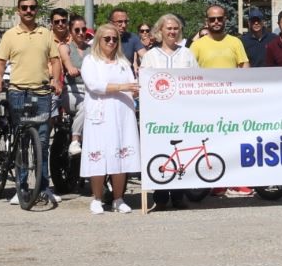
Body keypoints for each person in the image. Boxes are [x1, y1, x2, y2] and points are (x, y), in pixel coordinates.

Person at [0, 0, 63, 207]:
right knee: (21, 142)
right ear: (18, 10)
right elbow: (0, 61)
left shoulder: (46, 34)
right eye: (24, 8)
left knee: (42, 142)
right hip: (17, 92)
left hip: (42, 91)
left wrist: (56, 81)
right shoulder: (10, 35)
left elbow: (55, 60)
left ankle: (43, 187)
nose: (28, 11)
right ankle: (20, 188)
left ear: (37, 10)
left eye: (32, 7)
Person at [190, 5, 252, 196]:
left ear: (225, 19)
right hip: (207, 105)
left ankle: (237, 182)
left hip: (233, 104)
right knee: (213, 144)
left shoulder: (235, 42)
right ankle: (218, 183)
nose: (216, 22)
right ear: (206, 21)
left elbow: (245, 67)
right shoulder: (197, 45)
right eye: (212, 19)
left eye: (219, 18)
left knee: (235, 142)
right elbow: (189, 73)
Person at [80, 23, 140, 214]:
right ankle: (97, 198)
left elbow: (133, 85)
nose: (111, 42)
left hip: (122, 113)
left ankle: (118, 198)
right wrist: (123, 87)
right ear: (99, 39)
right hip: (101, 113)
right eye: (107, 38)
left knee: (121, 156)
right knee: (98, 155)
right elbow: (94, 85)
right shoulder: (90, 61)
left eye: (115, 39)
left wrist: (138, 90)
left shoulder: (123, 62)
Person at [142, 13, 197, 208]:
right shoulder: (150, 57)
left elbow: (196, 81)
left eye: (176, 28)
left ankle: (179, 195)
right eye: (169, 28)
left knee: (180, 153)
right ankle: (161, 194)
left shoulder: (187, 54)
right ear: (160, 31)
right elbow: (145, 85)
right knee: (161, 153)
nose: (172, 31)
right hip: (159, 115)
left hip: (182, 113)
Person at [57, 12, 90, 157]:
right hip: (72, 92)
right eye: (77, 30)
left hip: (89, 91)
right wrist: (70, 68)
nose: (81, 33)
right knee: (86, 106)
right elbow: (65, 60)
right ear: (71, 31)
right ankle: (75, 139)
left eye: (84, 30)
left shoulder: (92, 49)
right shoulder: (66, 47)